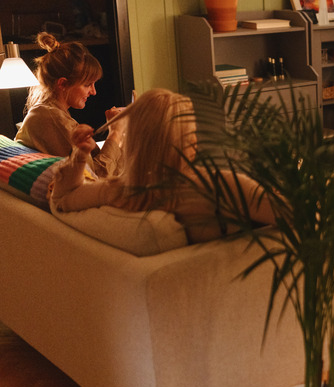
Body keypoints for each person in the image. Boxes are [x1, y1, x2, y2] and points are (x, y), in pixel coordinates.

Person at [49, 88, 277, 243]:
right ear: (188, 140)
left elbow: (61, 199)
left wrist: (80, 154)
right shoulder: (219, 186)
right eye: (192, 132)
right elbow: (299, 218)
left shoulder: (121, 191)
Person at [15, 32, 124, 178]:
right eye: (87, 85)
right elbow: (96, 177)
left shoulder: (49, 112)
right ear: (63, 84)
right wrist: (115, 132)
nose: (94, 92)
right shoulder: (51, 118)